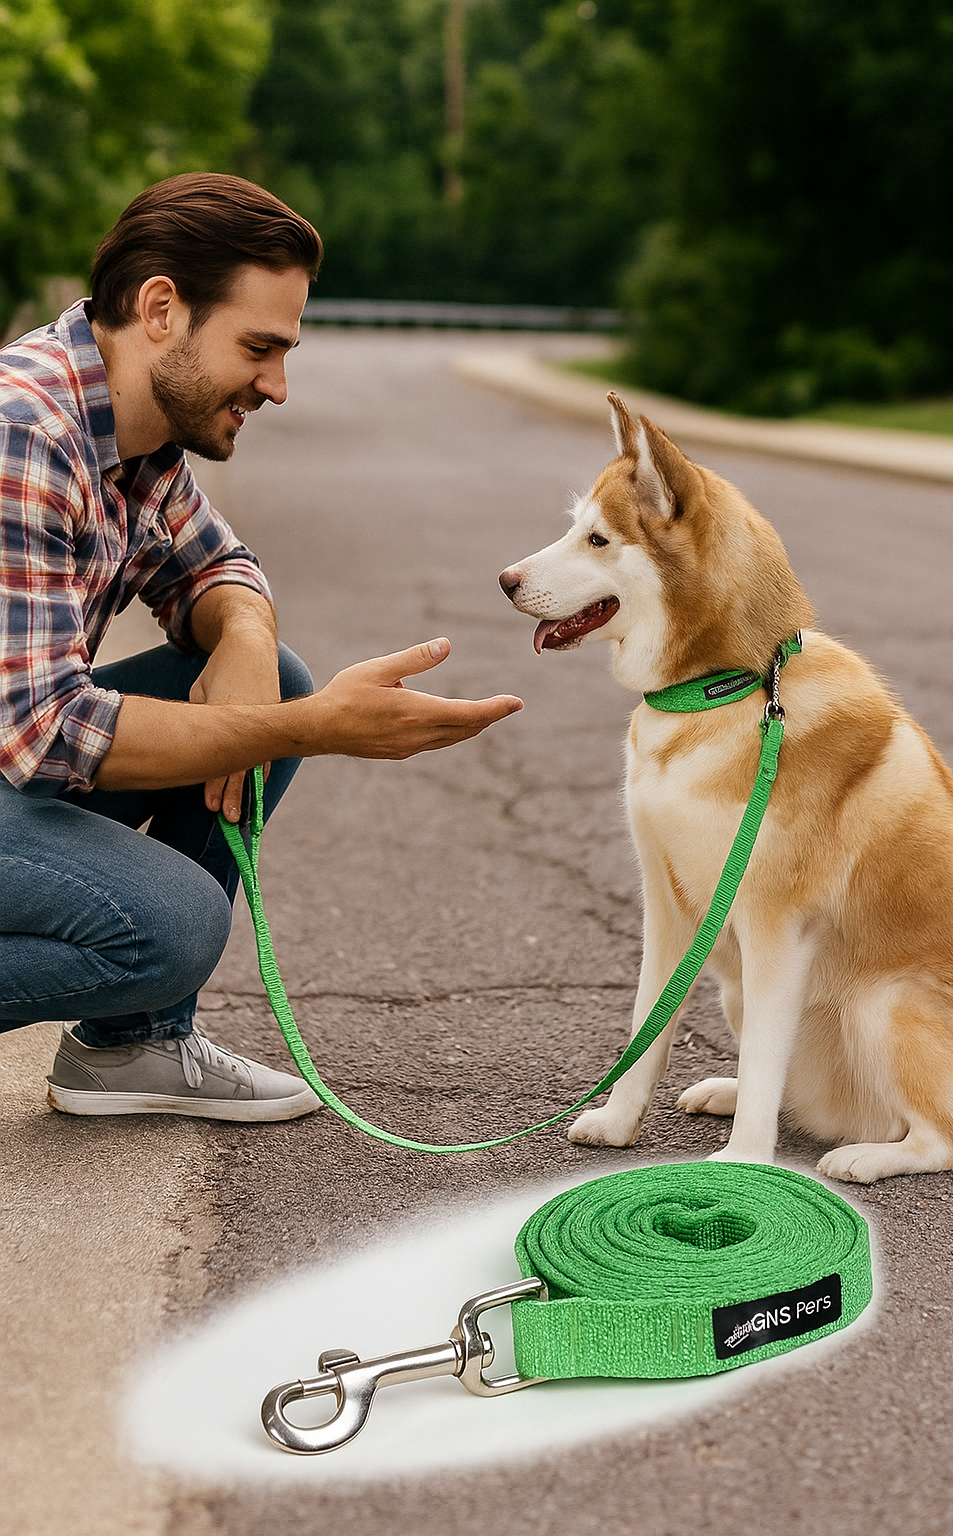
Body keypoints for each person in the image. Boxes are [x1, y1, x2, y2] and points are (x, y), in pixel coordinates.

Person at [0, 173, 522, 1123]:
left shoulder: (136, 433)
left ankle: (129, 1054)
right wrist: (309, 726)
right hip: (22, 749)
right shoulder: (24, 429)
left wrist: (242, 631)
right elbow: (48, 735)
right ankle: (141, 1015)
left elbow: (218, 563)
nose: (278, 385)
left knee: (272, 676)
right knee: (167, 927)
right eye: (260, 348)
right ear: (162, 309)